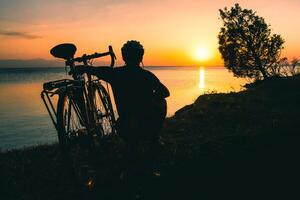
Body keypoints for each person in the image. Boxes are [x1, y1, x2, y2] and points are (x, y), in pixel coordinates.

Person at [74, 40, 170, 152]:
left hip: (125, 127)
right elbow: (165, 92)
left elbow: (95, 70)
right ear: (141, 57)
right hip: (147, 125)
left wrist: (82, 68)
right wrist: (151, 97)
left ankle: (131, 144)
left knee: (130, 122)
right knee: (162, 101)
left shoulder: (115, 74)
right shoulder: (148, 76)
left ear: (124, 57)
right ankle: (154, 139)